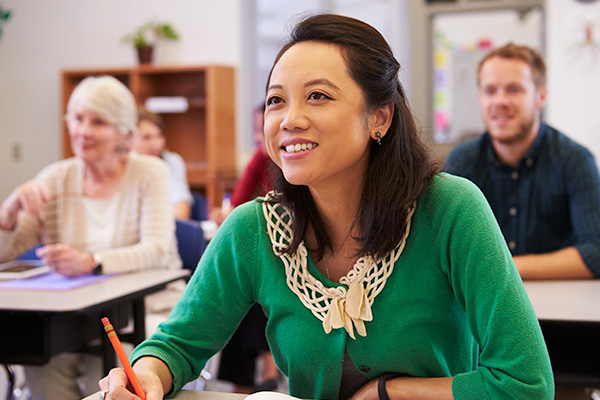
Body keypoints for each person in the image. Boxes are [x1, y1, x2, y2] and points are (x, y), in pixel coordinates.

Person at [100, 14, 554, 400]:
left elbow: (526, 383)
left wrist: (390, 392)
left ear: (380, 117)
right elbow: (177, 345)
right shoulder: (252, 230)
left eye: (317, 95)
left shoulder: (451, 209)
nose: (289, 119)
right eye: (276, 100)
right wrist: (144, 377)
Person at [0, 75, 182, 400]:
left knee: (110, 372)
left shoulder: (149, 172)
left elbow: (156, 249)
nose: (83, 131)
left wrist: (92, 262)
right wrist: (9, 211)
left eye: (98, 122)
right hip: (73, 317)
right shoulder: (55, 178)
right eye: (78, 119)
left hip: (145, 309)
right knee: (42, 361)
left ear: (124, 132)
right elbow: (6, 252)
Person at [443, 43, 600, 280]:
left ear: (541, 96)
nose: (499, 101)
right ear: (479, 97)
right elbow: (444, 250)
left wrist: (502, 267)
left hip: (563, 308)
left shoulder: (576, 161)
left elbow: (595, 253)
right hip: (482, 307)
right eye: (490, 91)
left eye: (514, 89)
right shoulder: (461, 162)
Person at [209, 105, 279, 393]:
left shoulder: (297, 164)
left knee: (249, 285)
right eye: (256, 130)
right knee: (242, 289)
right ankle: (261, 369)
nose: (259, 137)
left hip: (286, 255)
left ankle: (247, 380)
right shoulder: (261, 159)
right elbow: (235, 204)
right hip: (266, 251)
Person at [131, 106, 193, 220]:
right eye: (146, 137)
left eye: (159, 136)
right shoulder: (123, 166)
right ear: (129, 140)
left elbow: (181, 213)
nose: (156, 144)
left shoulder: (172, 162)